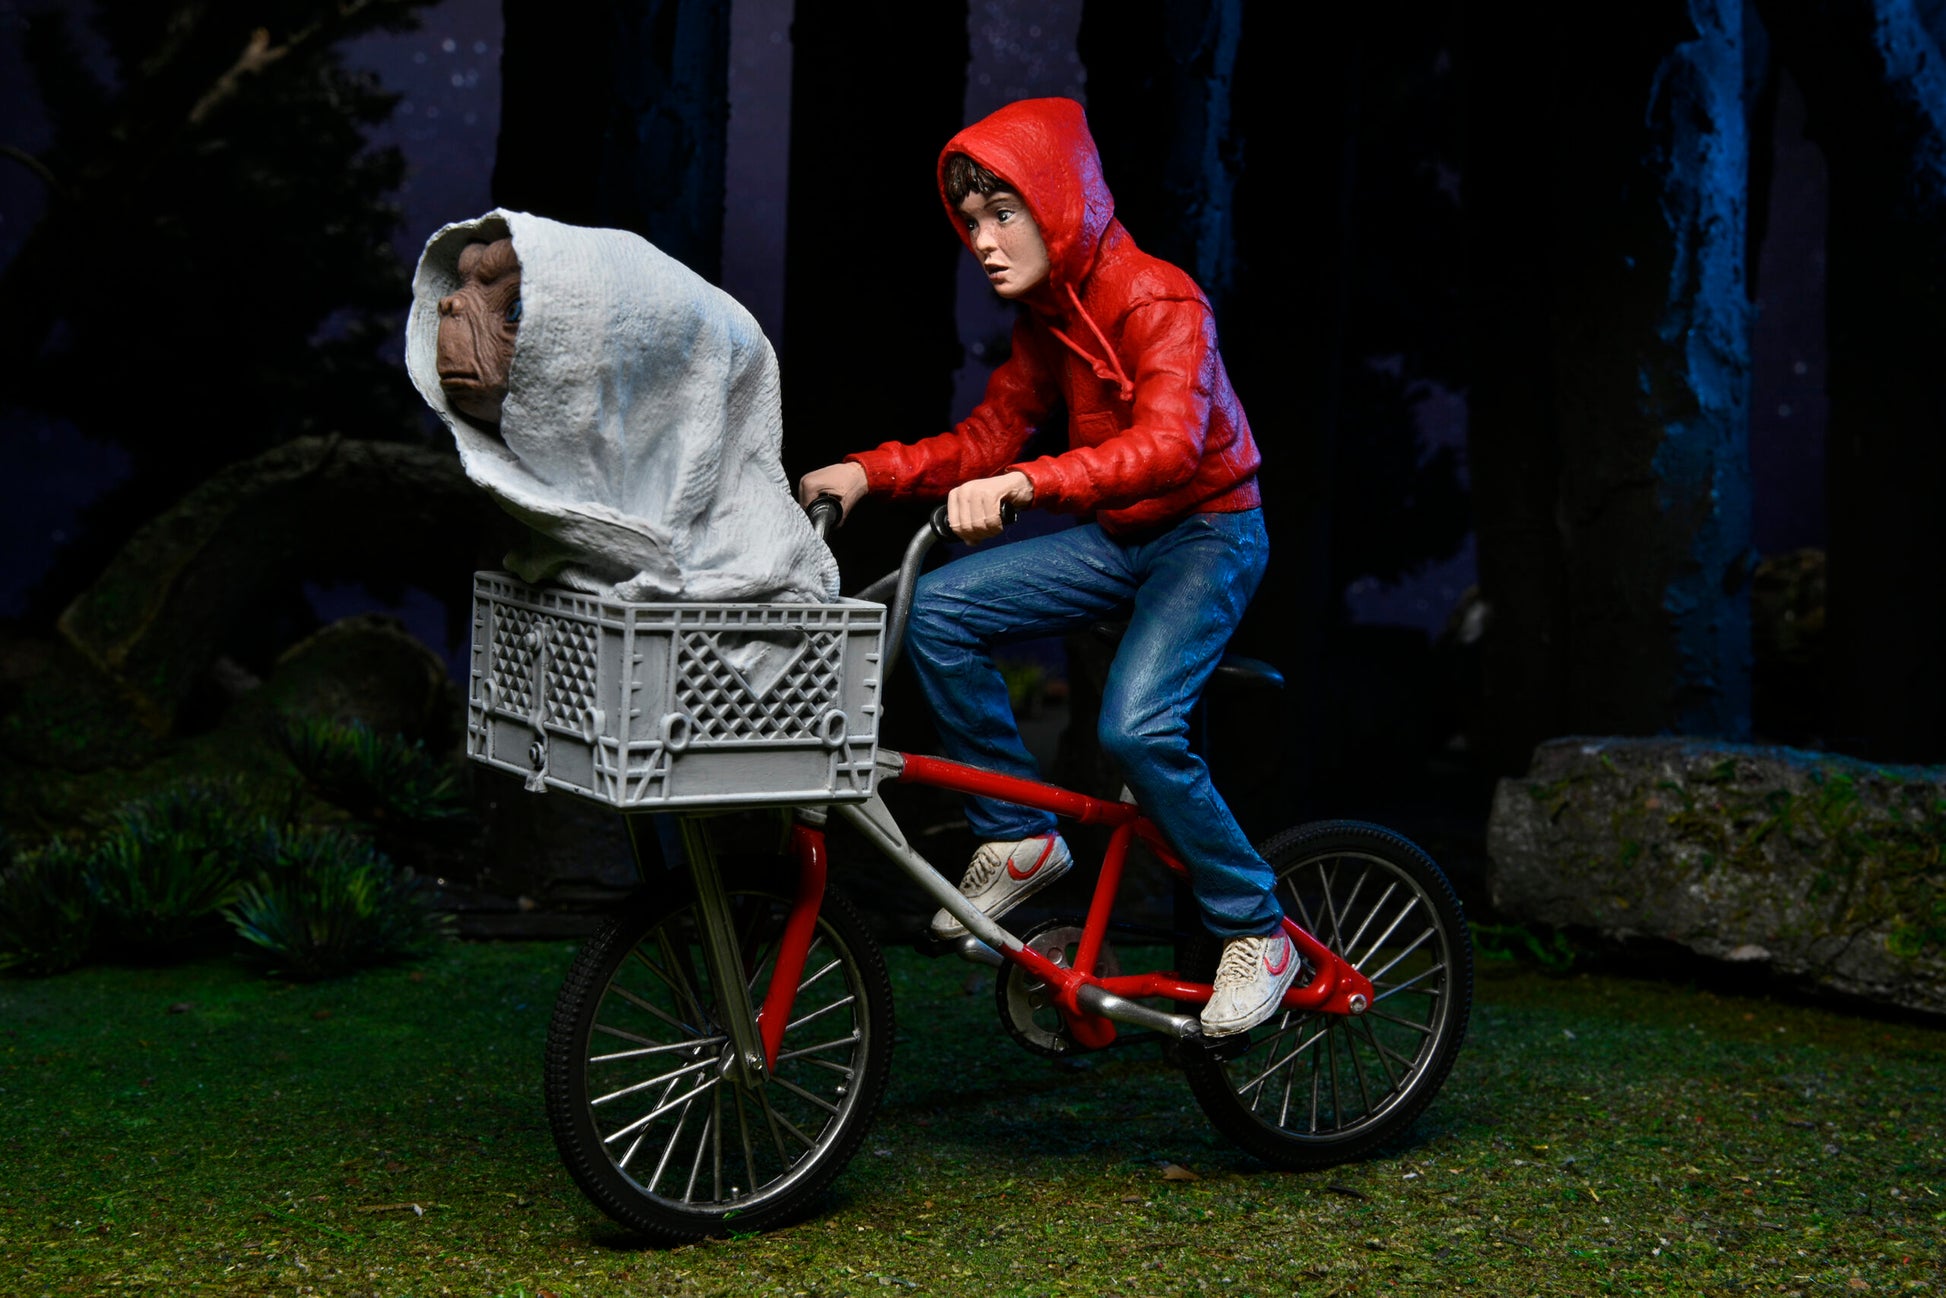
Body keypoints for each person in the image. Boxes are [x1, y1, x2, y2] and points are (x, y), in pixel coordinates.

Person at [797, 97, 1292, 1036]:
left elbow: (1171, 447)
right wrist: (871, 472)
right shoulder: (1048, 319)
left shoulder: (1159, 298)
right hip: (1122, 535)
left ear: (1060, 201)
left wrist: (1031, 482)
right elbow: (989, 436)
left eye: (1003, 212)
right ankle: (1019, 838)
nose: (984, 241)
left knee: (1136, 731)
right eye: (971, 221)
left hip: (1209, 533)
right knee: (936, 610)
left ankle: (1254, 926)